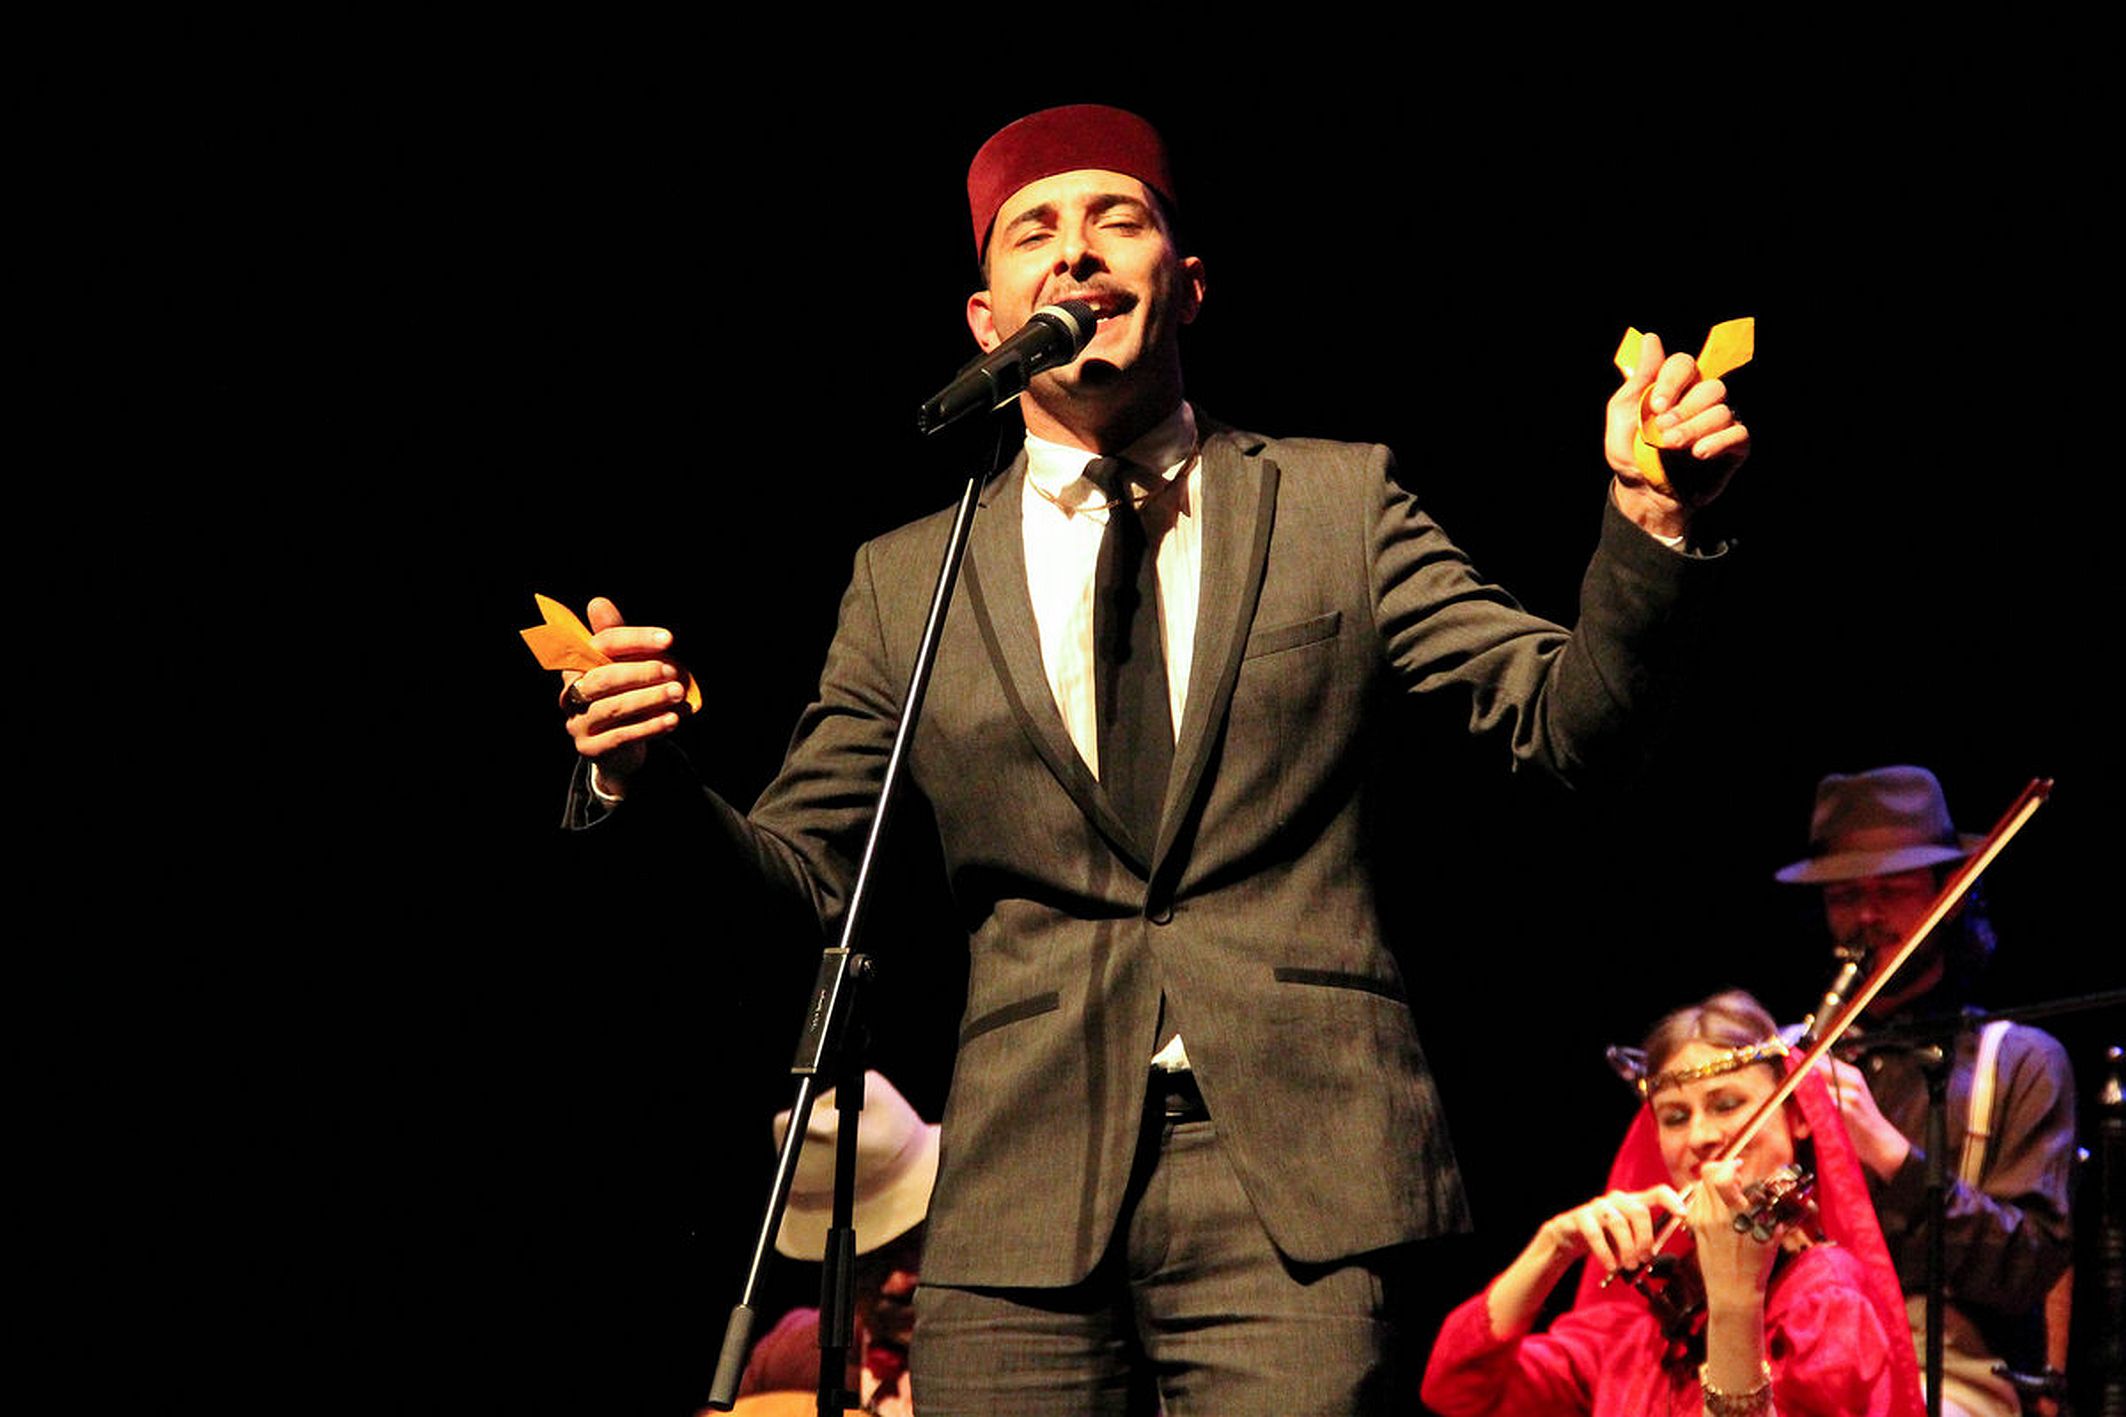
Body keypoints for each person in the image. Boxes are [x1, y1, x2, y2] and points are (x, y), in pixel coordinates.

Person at [553, 104, 1749, 1412]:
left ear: (1185, 283)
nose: (1073, 251)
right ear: (986, 320)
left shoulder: (1333, 505)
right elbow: (797, 881)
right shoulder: (910, 579)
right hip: (1017, 1202)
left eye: (1113, 219)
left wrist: (1650, 522)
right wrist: (643, 779)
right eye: (1032, 232)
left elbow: (1567, 726)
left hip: (1292, 1180)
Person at [1423, 990, 1925, 1417]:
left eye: (1727, 1104)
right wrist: (1552, 1246)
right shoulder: (1644, 1329)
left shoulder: (1826, 1298)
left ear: (1795, 1116)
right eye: (1676, 1117)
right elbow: (1456, 1390)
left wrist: (1735, 1303)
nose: (1701, 1136)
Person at [1774, 766, 2077, 1417]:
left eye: (1893, 890)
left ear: (1952, 892)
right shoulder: (1787, 1055)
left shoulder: (2020, 1061)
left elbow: (2027, 1269)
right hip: (1791, 1352)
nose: (1867, 916)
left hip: (1950, 1370)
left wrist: (1892, 1156)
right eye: (1845, 895)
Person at [725, 1071, 936, 1417]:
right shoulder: (789, 1356)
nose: (899, 1283)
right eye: (870, 1260)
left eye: (914, 1245)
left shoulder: (1011, 1351)